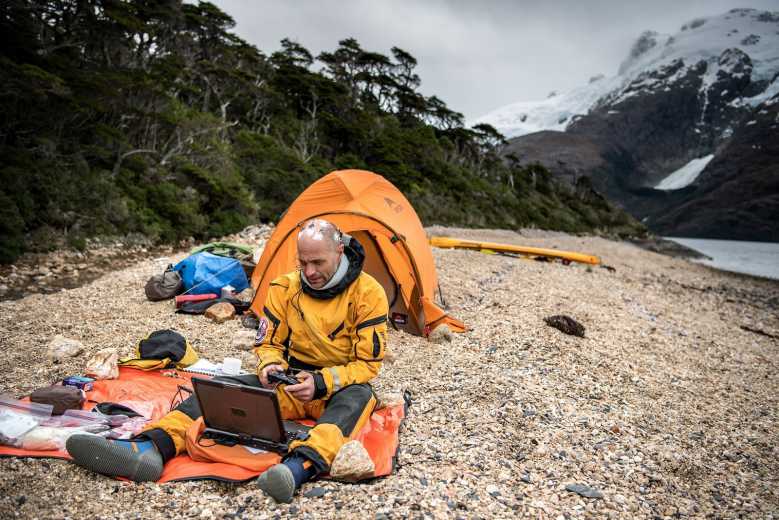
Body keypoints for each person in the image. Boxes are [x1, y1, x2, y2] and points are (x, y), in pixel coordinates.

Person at [66, 218, 389, 503]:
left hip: (337, 386)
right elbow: (269, 344)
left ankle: (298, 467)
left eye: (317, 262)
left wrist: (322, 382)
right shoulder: (284, 287)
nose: (309, 272)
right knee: (216, 390)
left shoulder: (368, 293)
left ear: (340, 253)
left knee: (357, 399)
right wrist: (269, 367)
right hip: (290, 383)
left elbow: (367, 364)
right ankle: (150, 447)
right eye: (303, 262)